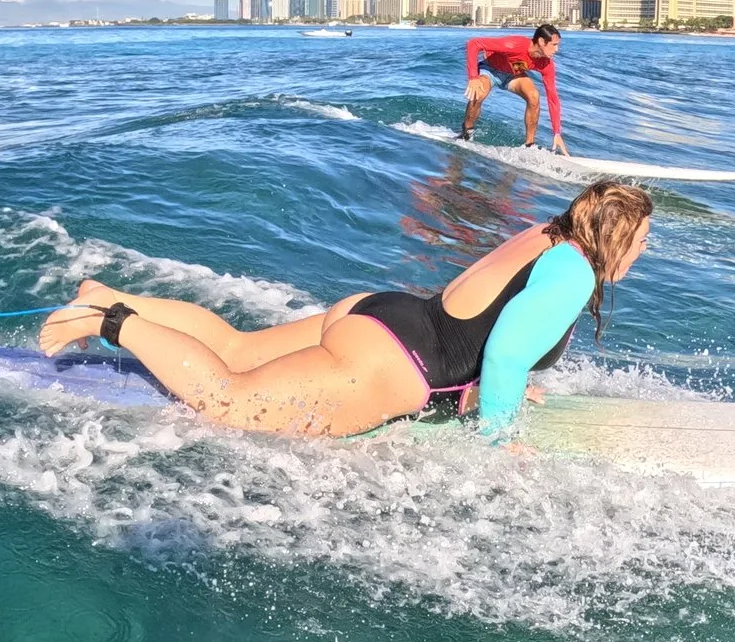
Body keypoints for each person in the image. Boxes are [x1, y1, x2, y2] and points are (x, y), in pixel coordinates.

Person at [36, 179, 654, 438]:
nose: (643, 250)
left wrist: (502, 387)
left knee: (238, 348)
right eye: (642, 239)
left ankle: (108, 297)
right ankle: (107, 322)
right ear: (617, 237)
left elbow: (491, 324)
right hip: (396, 364)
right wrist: (498, 440)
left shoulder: (550, 234)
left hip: (387, 313)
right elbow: (507, 350)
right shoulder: (576, 270)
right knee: (231, 402)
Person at [461, 23, 568, 153]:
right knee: (479, 93)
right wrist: (473, 77)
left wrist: (557, 132)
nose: (557, 50)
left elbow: (552, 97)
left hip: (514, 75)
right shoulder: (515, 45)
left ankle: (529, 145)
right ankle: (466, 133)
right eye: (554, 45)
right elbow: (474, 43)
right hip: (490, 70)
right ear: (541, 41)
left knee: (534, 95)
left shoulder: (546, 64)